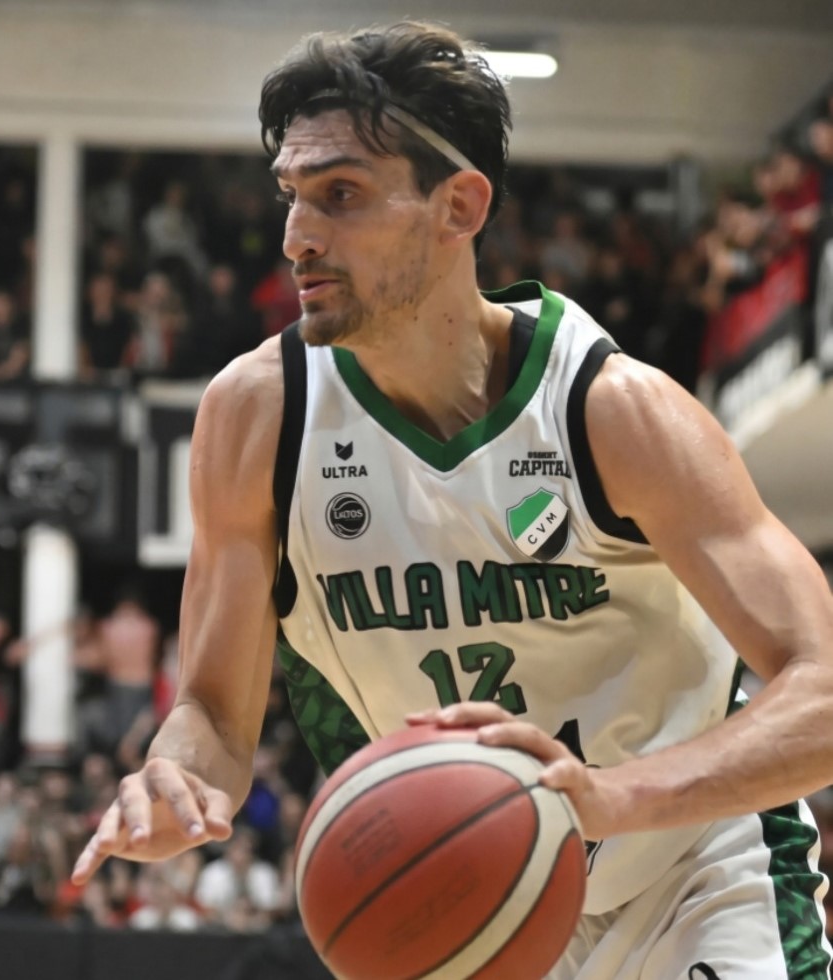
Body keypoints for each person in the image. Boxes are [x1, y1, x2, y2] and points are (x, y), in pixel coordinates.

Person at [73, 21, 833, 978]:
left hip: (689, 869)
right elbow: (216, 715)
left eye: (340, 194)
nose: (297, 237)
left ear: (459, 206)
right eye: (290, 196)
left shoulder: (611, 411)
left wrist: (612, 798)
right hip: (472, 899)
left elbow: (822, 691)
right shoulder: (256, 417)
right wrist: (173, 778)